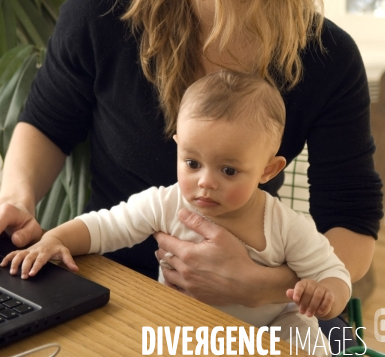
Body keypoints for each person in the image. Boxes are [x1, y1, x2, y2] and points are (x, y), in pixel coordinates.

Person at [0, 0, 382, 350]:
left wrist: (261, 285)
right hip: (102, 284)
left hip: (249, 316)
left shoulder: (326, 57)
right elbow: (46, 123)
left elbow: (352, 223)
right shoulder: (101, 12)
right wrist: (16, 199)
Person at [1, 72, 351, 355]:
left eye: (228, 171)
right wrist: (56, 238)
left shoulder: (285, 226)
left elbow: (333, 273)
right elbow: (106, 225)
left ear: (268, 170)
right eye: (192, 163)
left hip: (270, 329)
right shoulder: (166, 204)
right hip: (185, 325)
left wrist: (326, 296)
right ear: (178, 145)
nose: (205, 183)